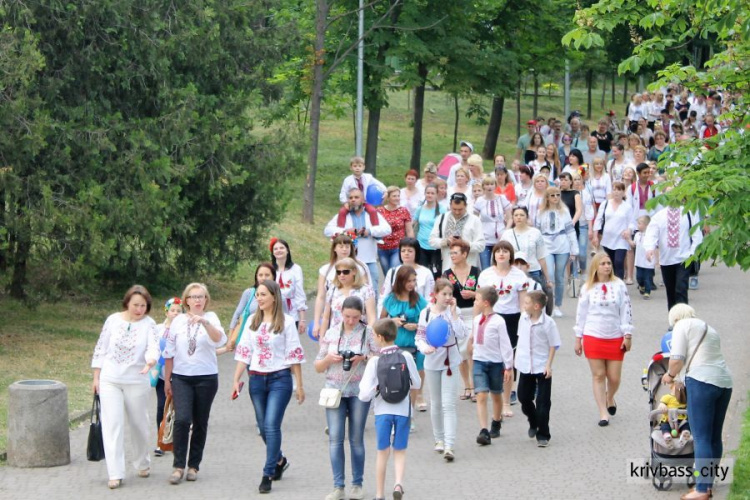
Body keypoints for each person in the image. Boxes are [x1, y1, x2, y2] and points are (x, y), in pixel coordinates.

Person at [232, 279, 305, 494]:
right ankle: (280, 460)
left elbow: (294, 354)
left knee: (272, 425)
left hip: (279, 379)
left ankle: (268, 473)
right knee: (263, 427)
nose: (259, 298)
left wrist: (299, 386)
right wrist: (236, 379)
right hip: (256, 378)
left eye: (263, 294)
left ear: (274, 297)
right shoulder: (252, 323)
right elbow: (244, 352)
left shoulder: (287, 322)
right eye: (257, 295)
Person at [91, 285, 160, 489]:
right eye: (135, 305)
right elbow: (101, 347)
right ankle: (115, 472)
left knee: (138, 424)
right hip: (110, 379)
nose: (139, 309)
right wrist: (96, 376)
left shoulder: (149, 324)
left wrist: (150, 361)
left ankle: (142, 462)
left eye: (143, 306)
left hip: (136, 379)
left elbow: (154, 347)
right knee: (113, 425)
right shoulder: (113, 320)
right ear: (127, 303)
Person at [662, 304, 732, 500]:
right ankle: (708, 483)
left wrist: (669, 375)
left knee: (700, 436)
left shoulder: (680, 326)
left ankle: (701, 489)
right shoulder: (710, 329)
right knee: (713, 436)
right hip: (724, 382)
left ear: (674, 319)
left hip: (702, 382)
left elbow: (676, 359)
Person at [163, 283, 227, 485]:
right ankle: (178, 465)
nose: (198, 300)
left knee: (200, 421)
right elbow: (169, 352)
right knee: (182, 420)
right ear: (186, 301)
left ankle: (194, 465)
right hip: (182, 377)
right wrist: (167, 379)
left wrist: (205, 324)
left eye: (201, 296)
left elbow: (219, 340)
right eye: (193, 297)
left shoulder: (212, 318)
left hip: (206, 377)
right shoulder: (178, 321)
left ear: (206, 300)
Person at [315, 297, 378, 500]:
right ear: (341, 313)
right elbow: (317, 366)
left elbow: (380, 357)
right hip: (335, 390)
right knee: (335, 438)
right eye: (347, 316)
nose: (351, 321)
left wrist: (364, 357)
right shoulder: (332, 333)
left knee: (356, 438)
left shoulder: (368, 332)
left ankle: (357, 485)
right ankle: (338, 486)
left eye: (355, 317)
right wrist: (328, 359)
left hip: (360, 390)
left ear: (362, 315)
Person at [358, 319, 421, 500]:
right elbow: (416, 383)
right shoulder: (406, 357)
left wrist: (376, 389)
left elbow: (363, 395)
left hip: (382, 411)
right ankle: (398, 483)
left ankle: (379, 494)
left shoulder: (375, 362)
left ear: (379, 337)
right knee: (400, 450)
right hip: (403, 410)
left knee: (382, 451)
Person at [573, 253, 633, 426]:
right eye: (603, 264)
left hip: (615, 335)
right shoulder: (587, 288)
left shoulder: (619, 285)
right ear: (596, 267)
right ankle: (602, 412)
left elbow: (626, 309)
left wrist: (627, 334)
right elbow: (581, 313)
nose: (607, 266)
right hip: (593, 335)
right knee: (598, 375)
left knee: (614, 377)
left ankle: (610, 396)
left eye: (609, 263)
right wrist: (578, 337)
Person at [415, 278, 467, 460]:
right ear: (435, 294)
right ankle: (439, 439)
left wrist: (453, 314)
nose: (447, 297)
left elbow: (462, 334)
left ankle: (449, 445)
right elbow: (420, 337)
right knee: (435, 402)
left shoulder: (455, 312)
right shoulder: (426, 313)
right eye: (443, 294)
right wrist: (424, 348)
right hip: (432, 361)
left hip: (450, 361)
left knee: (449, 404)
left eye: (450, 294)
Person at [477, 241, 529, 412]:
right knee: (493, 356)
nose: (501, 254)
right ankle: (494, 391)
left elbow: (523, 303)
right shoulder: (486, 274)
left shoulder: (519, 276)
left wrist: (524, 323)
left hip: (512, 318)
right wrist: (477, 321)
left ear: (510, 255)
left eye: (505, 251)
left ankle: (507, 399)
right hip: (491, 317)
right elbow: (479, 301)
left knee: (509, 358)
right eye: (498, 251)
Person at [381, 266, 428, 419]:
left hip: (415, 343)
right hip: (396, 343)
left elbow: (429, 319)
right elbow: (380, 321)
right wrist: (392, 321)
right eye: (409, 281)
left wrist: (416, 326)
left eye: (414, 281)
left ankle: (410, 412)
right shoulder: (390, 299)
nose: (412, 284)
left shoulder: (418, 299)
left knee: (415, 378)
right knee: (397, 380)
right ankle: (396, 411)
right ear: (401, 281)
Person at [324, 188, 392, 295]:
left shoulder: (372, 214)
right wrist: (345, 231)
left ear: (363, 199)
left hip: (369, 260)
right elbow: (327, 230)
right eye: (350, 198)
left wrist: (369, 231)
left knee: (372, 291)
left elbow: (387, 229)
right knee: (349, 291)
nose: (353, 200)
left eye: (356, 197)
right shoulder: (343, 216)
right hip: (348, 261)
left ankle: (371, 311)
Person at [516, 290, 561, 447]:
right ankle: (533, 420)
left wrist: (548, 365)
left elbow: (553, 345)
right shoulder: (523, 318)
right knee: (523, 397)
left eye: (527, 303)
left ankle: (543, 434)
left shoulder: (548, 323)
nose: (524, 305)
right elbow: (521, 339)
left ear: (536, 306)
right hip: (525, 364)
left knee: (543, 401)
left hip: (542, 365)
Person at [470, 286, 513, 446]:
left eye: (477, 300)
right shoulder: (476, 320)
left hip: (495, 363)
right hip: (479, 361)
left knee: (496, 394)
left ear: (486, 303)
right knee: (481, 395)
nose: (475, 302)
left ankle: (496, 420)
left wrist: (508, 365)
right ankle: (483, 429)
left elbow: (505, 344)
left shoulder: (498, 321)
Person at [441, 239, 480, 402]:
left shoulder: (476, 271)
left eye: (455, 253)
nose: (452, 256)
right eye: (451, 253)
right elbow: (442, 294)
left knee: (471, 349)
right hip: (456, 314)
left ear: (465, 254)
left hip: (473, 312)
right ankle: (467, 385)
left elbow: (483, 291)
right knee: (461, 352)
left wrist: (473, 294)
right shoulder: (447, 274)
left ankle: (475, 385)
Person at [644, 204, 702, 312]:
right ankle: (673, 319)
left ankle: (684, 319)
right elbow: (651, 233)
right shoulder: (659, 216)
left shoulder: (689, 212)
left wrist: (693, 252)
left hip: (684, 258)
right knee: (670, 291)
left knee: (681, 288)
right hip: (666, 259)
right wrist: (649, 248)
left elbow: (696, 233)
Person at [313, 235, 373, 339]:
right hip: (335, 326)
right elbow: (321, 296)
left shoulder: (361, 267)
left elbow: (368, 295)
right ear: (334, 248)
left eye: (347, 246)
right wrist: (317, 322)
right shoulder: (325, 270)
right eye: (341, 246)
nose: (344, 249)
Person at [536, 186, 579, 317]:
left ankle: (558, 305)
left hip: (562, 244)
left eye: (557, 195)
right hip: (546, 243)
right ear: (547, 198)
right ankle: (548, 303)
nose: (555, 198)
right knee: (549, 274)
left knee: (559, 276)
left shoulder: (564, 211)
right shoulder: (541, 212)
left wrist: (573, 250)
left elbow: (570, 230)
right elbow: (537, 231)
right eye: (552, 195)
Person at [501, 206, 552, 301]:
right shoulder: (507, 234)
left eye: (521, 215)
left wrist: (547, 279)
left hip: (533, 271)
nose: (519, 217)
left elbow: (541, 257)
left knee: (536, 300)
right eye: (516, 215)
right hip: (513, 271)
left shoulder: (535, 233)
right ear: (512, 218)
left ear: (527, 217)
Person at [154, 297, 183, 457]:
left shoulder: (184, 328)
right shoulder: (158, 329)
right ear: (166, 311)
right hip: (161, 375)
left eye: (179, 311)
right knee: (161, 407)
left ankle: (176, 439)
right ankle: (160, 439)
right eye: (173, 310)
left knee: (180, 408)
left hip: (179, 374)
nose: (176, 313)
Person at [428, 192, 485, 272]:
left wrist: (465, 244)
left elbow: (481, 245)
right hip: (447, 266)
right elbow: (432, 241)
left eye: (460, 209)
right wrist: (446, 242)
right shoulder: (442, 218)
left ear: (466, 206)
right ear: (450, 206)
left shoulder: (475, 220)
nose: (457, 212)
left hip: (469, 267)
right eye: (454, 209)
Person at [320, 258, 377, 335]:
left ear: (354, 271)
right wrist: (322, 339)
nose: (342, 275)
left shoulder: (366, 290)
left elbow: (372, 317)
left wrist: (367, 336)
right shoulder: (332, 290)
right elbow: (326, 318)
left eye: (345, 272)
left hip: (359, 335)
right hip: (336, 336)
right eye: (338, 272)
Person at [228, 264, 278, 351]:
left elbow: (283, 317)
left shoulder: (279, 295)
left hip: (270, 340)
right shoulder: (249, 293)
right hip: (248, 339)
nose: (263, 278)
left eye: (267, 275)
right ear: (256, 277)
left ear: (273, 277)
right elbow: (237, 314)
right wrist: (231, 337)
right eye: (260, 275)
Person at [592, 181, 633, 279]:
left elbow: (632, 222)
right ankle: (611, 283)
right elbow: (599, 219)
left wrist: (629, 230)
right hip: (607, 239)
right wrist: (595, 236)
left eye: (619, 190)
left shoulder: (627, 207)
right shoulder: (605, 204)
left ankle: (619, 284)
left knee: (619, 261)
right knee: (610, 263)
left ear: (623, 192)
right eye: (614, 189)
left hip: (621, 239)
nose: (616, 192)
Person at [474, 175, 513, 270]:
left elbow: (510, 218)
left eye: (491, 184)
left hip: (500, 238)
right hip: (485, 238)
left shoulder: (501, 199)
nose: (489, 187)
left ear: (495, 186)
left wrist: (506, 231)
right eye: (487, 184)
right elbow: (474, 219)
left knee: (500, 267)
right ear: (483, 186)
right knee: (486, 268)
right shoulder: (480, 201)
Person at [270, 238, 307, 333]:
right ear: (273, 252)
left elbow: (299, 293)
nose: (279, 250)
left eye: (281, 248)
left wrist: (302, 319)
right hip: (272, 313)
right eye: (276, 249)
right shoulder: (269, 269)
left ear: (287, 250)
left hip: (291, 313)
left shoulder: (296, 269)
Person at [377, 186, 414, 277]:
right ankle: (390, 291)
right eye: (394, 196)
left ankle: (397, 290)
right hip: (382, 247)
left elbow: (409, 230)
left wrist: (411, 245)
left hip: (397, 247)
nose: (397, 198)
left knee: (394, 272)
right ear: (388, 198)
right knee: (387, 275)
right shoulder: (380, 211)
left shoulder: (403, 211)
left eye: (398, 196)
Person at [414, 184, 446, 277]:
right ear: (424, 194)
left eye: (432, 193)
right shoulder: (420, 209)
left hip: (435, 246)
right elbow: (414, 223)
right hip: (421, 244)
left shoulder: (442, 209)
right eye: (428, 193)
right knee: (422, 272)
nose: (430, 195)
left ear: (436, 195)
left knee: (435, 272)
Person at [572, 172, 594, 274]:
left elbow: (589, 211)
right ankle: (574, 274)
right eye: (574, 179)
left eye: (578, 179)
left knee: (582, 253)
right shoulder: (567, 194)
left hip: (582, 226)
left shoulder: (586, 194)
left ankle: (583, 270)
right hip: (571, 227)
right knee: (572, 252)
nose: (576, 182)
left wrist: (590, 229)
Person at [657, 380, 690, 448]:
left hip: (682, 421)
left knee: (687, 425)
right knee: (664, 427)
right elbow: (662, 403)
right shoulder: (667, 397)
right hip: (668, 420)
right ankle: (667, 436)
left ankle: (684, 435)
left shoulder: (686, 399)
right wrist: (662, 406)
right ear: (672, 388)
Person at [633, 215, 655, 299]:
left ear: (646, 225)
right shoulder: (637, 235)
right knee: (639, 277)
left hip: (648, 262)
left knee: (647, 278)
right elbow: (633, 244)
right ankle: (641, 285)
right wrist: (628, 239)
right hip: (639, 261)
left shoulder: (651, 235)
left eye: (640, 223)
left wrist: (657, 260)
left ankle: (647, 292)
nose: (638, 225)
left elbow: (655, 247)